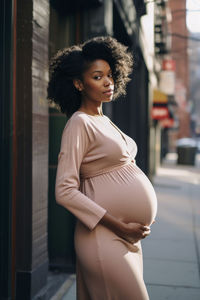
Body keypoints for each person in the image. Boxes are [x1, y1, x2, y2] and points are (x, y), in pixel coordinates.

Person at [47, 36, 157, 300]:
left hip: (126, 238)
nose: (108, 82)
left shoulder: (103, 119)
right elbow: (64, 190)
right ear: (78, 83)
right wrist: (120, 226)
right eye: (97, 77)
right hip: (104, 236)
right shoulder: (79, 123)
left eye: (109, 75)